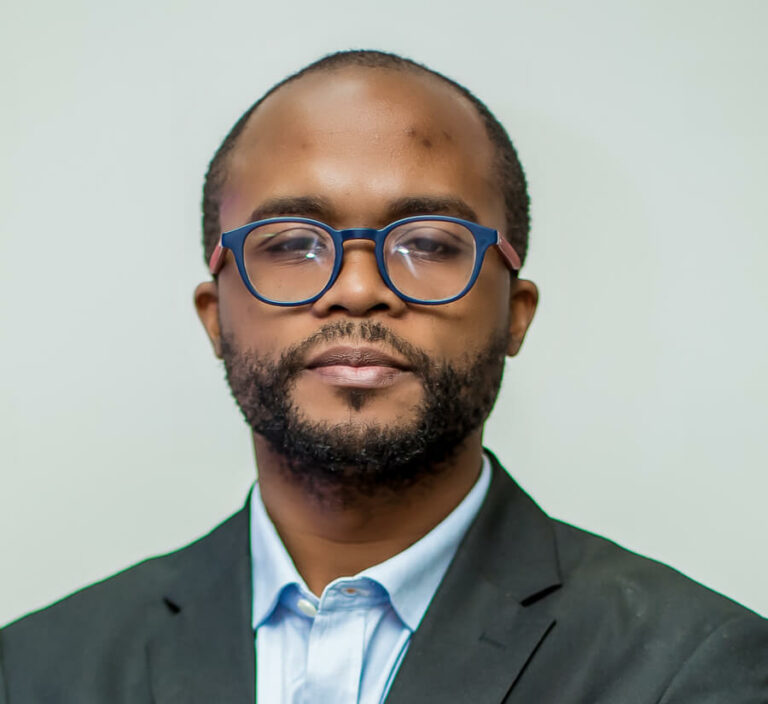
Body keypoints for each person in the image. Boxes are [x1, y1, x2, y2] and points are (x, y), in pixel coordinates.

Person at [1, 49, 766, 704]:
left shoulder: (697, 667)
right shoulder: (36, 670)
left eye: (429, 243)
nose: (359, 289)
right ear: (215, 316)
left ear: (515, 314)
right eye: (293, 243)